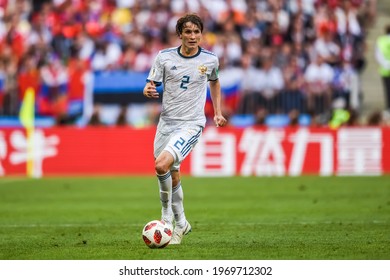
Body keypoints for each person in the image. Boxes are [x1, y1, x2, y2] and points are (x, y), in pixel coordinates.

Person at [143, 13, 227, 245]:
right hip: (166, 123)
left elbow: (215, 81)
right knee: (171, 172)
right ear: (179, 34)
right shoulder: (164, 57)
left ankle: (166, 218)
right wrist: (147, 89)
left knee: (161, 164)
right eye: (188, 32)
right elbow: (151, 84)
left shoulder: (210, 60)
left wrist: (217, 112)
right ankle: (182, 224)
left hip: (191, 124)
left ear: (201, 34)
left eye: (196, 32)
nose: (193, 36)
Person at [375, 24, 390, 112]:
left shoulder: (381, 40)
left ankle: (388, 108)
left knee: (388, 90)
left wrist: (387, 65)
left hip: (385, 69)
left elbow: (378, 55)